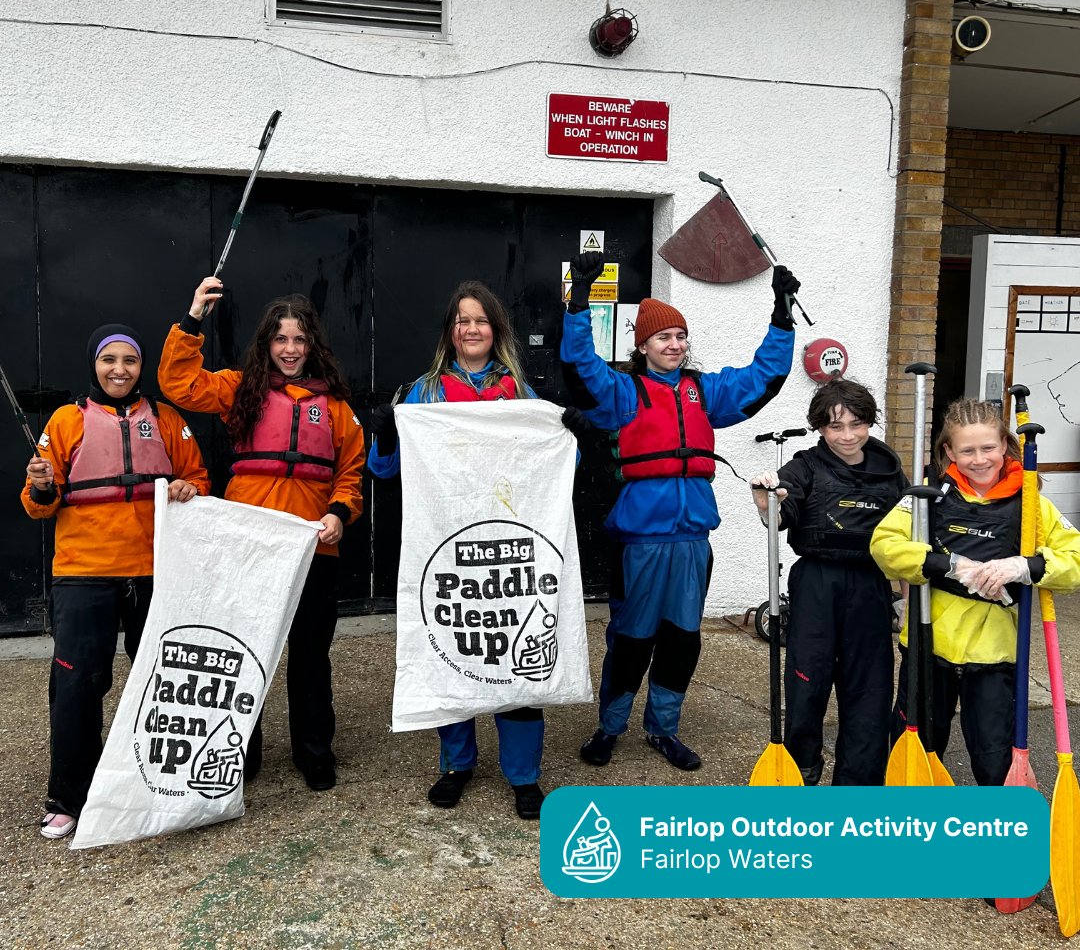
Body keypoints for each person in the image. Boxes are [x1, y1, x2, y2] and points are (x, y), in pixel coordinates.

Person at [562, 251, 798, 771]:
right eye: (662, 338)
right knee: (629, 641)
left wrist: (781, 315)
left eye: (679, 337)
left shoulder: (702, 391)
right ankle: (609, 727)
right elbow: (581, 367)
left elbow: (763, 377)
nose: (674, 345)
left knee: (679, 641)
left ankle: (662, 728)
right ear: (642, 346)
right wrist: (578, 301)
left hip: (693, 540)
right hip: (640, 542)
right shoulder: (624, 393)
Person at [158, 278, 365, 791]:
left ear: (311, 345)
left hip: (313, 544)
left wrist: (340, 513)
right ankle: (237, 753)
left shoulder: (336, 407)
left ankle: (314, 752)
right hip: (247, 544)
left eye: (299, 340)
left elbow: (351, 473)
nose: (290, 350)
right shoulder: (238, 389)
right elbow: (178, 383)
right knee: (242, 650)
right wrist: (192, 320)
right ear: (266, 345)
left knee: (311, 655)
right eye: (280, 340)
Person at [368, 280, 565, 820]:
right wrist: (386, 435)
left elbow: (552, 466)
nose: (471, 329)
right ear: (449, 332)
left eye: (480, 320)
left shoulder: (521, 391)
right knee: (453, 649)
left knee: (517, 656)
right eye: (461, 321)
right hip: (448, 542)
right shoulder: (423, 392)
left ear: (495, 329)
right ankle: (457, 764)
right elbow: (385, 470)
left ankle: (524, 775)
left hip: (512, 544)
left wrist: (567, 433)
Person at [23, 323, 209, 839]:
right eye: (110, 361)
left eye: (129, 361)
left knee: (164, 682)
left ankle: (165, 783)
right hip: (85, 574)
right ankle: (68, 796)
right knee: (78, 685)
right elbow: (39, 504)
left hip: (155, 571)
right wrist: (41, 487)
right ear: (95, 365)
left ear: (140, 367)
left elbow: (199, 476)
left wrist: (188, 487)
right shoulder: (65, 422)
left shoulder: (168, 420)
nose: (120, 370)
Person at [870, 398, 1080, 785]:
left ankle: (996, 832)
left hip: (995, 655)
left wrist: (1024, 566)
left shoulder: (1032, 505)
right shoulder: (926, 500)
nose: (979, 459)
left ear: (1005, 446)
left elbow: (1075, 558)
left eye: (988, 448)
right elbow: (884, 544)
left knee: (994, 760)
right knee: (918, 755)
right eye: (967, 450)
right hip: (928, 647)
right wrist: (946, 565)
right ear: (949, 452)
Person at [749, 379, 906, 785]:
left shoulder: (889, 472)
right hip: (817, 582)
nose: (848, 435)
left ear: (870, 422)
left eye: (857, 424)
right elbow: (780, 515)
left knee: (869, 690)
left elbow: (910, 541)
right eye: (836, 427)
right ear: (820, 427)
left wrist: (906, 602)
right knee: (806, 682)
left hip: (870, 586)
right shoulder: (803, 466)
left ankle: (859, 782)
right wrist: (767, 501)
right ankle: (801, 770)